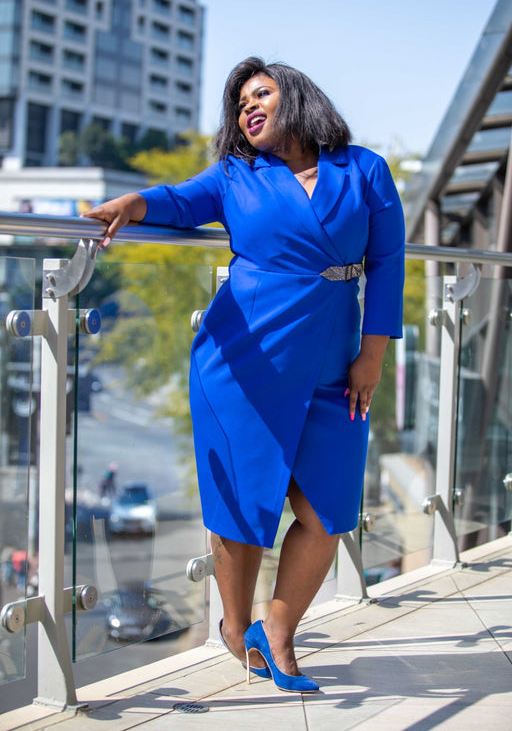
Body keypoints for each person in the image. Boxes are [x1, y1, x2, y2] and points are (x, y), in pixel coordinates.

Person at [82, 56, 405, 693]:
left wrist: (374, 353)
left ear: (300, 99)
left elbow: (388, 259)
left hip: (337, 362)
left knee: (328, 510)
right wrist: (136, 203)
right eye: (239, 105)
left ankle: (277, 629)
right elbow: (180, 201)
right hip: (243, 361)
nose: (247, 109)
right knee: (243, 503)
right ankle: (237, 629)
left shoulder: (363, 168)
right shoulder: (237, 176)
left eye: (261, 94)